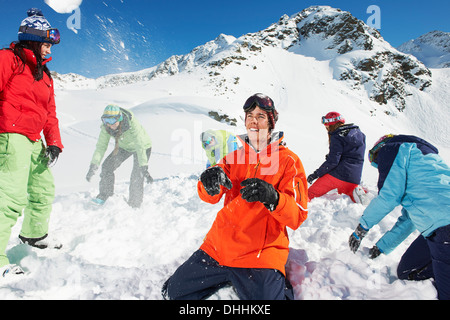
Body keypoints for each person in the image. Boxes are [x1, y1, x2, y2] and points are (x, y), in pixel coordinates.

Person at [162, 93, 308, 300]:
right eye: (249, 116)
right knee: (173, 292)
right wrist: (208, 182)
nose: (253, 121)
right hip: (218, 247)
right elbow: (209, 197)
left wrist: (274, 198)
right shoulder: (232, 158)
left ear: (271, 123)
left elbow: (298, 216)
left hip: (260, 254)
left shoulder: (289, 161)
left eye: (260, 116)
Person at [0, 8, 63, 277]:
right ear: (33, 40)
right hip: (9, 134)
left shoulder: (44, 75)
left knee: (43, 189)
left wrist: (54, 143)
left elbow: (49, 113)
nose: (49, 49)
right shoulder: (8, 59)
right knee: (10, 196)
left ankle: (33, 236)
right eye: (46, 43)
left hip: (33, 139)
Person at [348, 134, 450, 300]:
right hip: (438, 229)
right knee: (407, 270)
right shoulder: (423, 161)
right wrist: (382, 246)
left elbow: (388, 197)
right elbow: (409, 220)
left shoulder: (392, 150)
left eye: (376, 161)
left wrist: (362, 227)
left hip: (445, 228)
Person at [86, 105, 153, 208]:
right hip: (123, 147)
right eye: (106, 120)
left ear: (120, 118)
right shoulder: (106, 127)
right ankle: (105, 195)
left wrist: (143, 166)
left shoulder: (131, 124)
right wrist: (93, 165)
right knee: (107, 167)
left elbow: (140, 145)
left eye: (112, 120)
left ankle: (134, 204)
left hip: (143, 147)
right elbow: (101, 146)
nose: (109, 124)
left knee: (137, 174)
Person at [307, 112, 367, 203]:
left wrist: (316, 174)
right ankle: (354, 192)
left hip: (338, 175)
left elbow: (333, 162)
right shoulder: (360, 134)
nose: (326, 129)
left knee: (309, 194)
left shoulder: (337, 136)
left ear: (331, 124)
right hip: (354, 178)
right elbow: (353, 154)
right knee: (346, 194)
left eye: (326, 126)